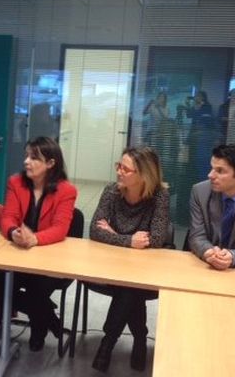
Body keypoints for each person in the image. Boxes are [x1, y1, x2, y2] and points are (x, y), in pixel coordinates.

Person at [89, 146, 169, 373]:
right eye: (119, 166)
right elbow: (95, 231)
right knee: (130, 289)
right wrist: (128, 241)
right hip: (110, 264)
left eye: (126, 169)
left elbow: (156, 239)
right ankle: (140, 336)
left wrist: (113, 235)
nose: (119, 172)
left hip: (144, 268)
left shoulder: (159, 196)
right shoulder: (112, 191)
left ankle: (108, 342)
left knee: (129, 288)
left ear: (144, 175)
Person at [0, 136, 77, 351]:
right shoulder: (16, 182)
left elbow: (60, 229)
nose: (26, 161)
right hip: (18, 254)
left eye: (34, 158)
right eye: (26, 155)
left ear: (51, 164)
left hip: (49, 261)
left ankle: (39, 328)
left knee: (36, 289)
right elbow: (7, 217)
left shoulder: (66, 190)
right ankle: (50, 319)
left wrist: (34, 239)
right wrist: (13, 232)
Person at [189, 144, 235, 269]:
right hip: (204, 266)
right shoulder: (200, 192)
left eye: (220, 171)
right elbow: (197, 236)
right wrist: (209, 252)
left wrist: (233, 257)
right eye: (212, 168)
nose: (210, 175)